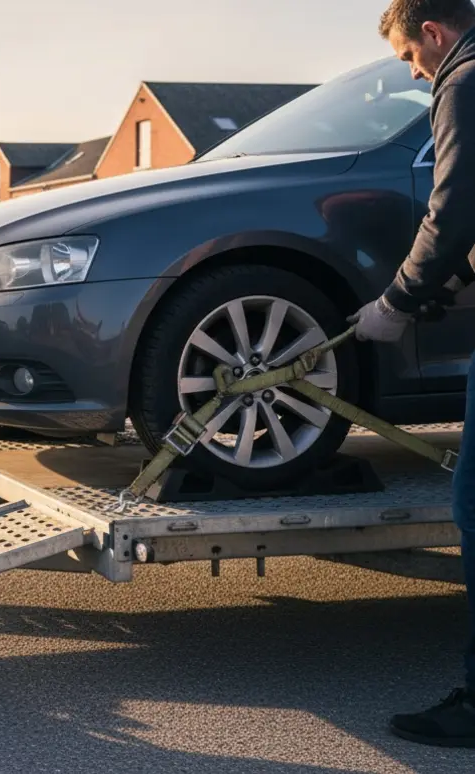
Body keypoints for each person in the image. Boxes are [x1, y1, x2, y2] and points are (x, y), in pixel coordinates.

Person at [356, 0, 475, 748]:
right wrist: (455, 281)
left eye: (408, 56)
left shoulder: (463, 80)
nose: (413, 69)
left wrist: (397, 302)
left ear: (433, 32)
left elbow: (455, 203)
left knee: (474, 504)